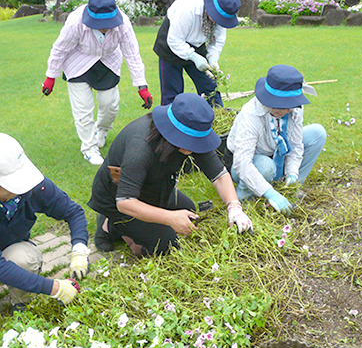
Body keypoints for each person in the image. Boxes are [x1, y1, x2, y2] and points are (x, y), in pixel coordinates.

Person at [0, 133, 90, 331]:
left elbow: (73, 212)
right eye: (10, 183)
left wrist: (79, 249)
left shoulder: (34, 185)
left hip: (12, 249)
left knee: (26, 259)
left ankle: (20, 300)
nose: (21, 188)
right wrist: (54, 288)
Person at [88, 92, 252, 257]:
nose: (194, 147)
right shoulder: (140, 147)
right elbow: (125, 202)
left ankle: (135, 223)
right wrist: (169, 218)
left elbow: (219, 175)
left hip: (155, 186)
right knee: (166, 245)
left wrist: (234, 207)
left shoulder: (193, 132)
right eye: (190, 141)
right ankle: (110, 225)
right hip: (118, 197)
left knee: (188, 211)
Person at [42, 0, 153, 166]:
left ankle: (101, 131)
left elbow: (132, 54)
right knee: (83, 109)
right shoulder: (75, 22)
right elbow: (60, 48)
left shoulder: (123, 23)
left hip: (108, 62)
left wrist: (142, 86)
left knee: (110, 104)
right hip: (78, 62)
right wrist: (51, 77)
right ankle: (89, 148)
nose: (104, 27)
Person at [225, 64, 327, 214]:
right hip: (245, 161)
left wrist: (293, 173)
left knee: (317, 133)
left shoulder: (294, 108)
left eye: (288, 106)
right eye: (279, 106)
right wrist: (270, 193)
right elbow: (242, 163)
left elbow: (295, 145)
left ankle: (289, 189)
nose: (284, 111)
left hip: (275, 150)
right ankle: (246, 198)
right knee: (266, 166)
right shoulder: (250, 115)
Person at [153, 0, 240, 107]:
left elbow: (218, 41)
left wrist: (212, 58)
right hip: (171, 45)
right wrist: (192, 56)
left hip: (197, 45)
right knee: (172, 93)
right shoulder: (188, 9)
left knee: (209, 87)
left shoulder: (222, 14)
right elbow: (174, 40)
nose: (219, 22)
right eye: (218, 18)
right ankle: (172, 122)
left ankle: (216, 118)